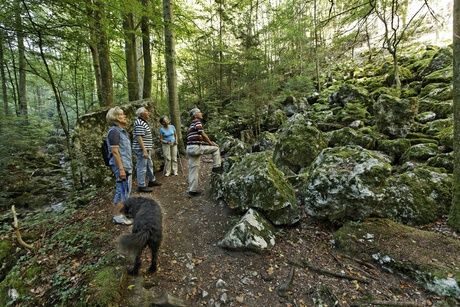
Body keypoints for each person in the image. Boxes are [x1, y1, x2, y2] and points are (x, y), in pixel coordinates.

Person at [186, 108, 222, 197]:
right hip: (195, 148)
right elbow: (202, 134)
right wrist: (211, 143)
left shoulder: (191, 125)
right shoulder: (197, 122)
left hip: (189, 148)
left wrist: (206, 142)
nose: (201, 113)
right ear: (195, 115)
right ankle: (217, 167)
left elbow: (198, 138)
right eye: (199, 112)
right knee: (215, 149)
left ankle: (192, 191)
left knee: (193, 169)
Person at [106, 106, 133, 225]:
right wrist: (121, 169)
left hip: (126, 164)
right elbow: (115, 152)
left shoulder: (122, 131)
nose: (124, 116)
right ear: (115, 117)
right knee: (121, 190)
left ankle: (124, 212)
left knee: (126, 190)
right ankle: (118, 216)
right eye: (121, 114)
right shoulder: (114, 132)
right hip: (120, 166)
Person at [133, 107, 161, 192]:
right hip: (141, 149)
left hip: (145, 149)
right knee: (142, 167)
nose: (148, 112)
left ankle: (152, 180)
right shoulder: (139, 122)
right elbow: (139, 137)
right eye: (146, 111)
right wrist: (144, 150)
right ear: (141, 114)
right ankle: (141, 186)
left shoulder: (143, 122)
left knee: (149, 164)